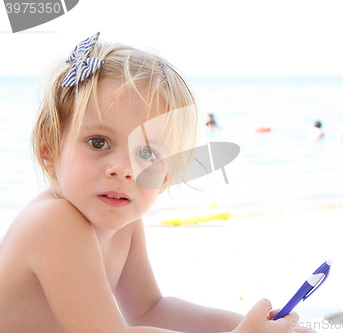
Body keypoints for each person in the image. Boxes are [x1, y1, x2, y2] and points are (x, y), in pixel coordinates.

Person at [0, 33, 314, 333]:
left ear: (165, 176)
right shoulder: (54, 223)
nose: (123, 169)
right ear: (49, 151)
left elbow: (150, 309)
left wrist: (240, 324)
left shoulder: (124, 222)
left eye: (147, 152)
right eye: (98, 142)